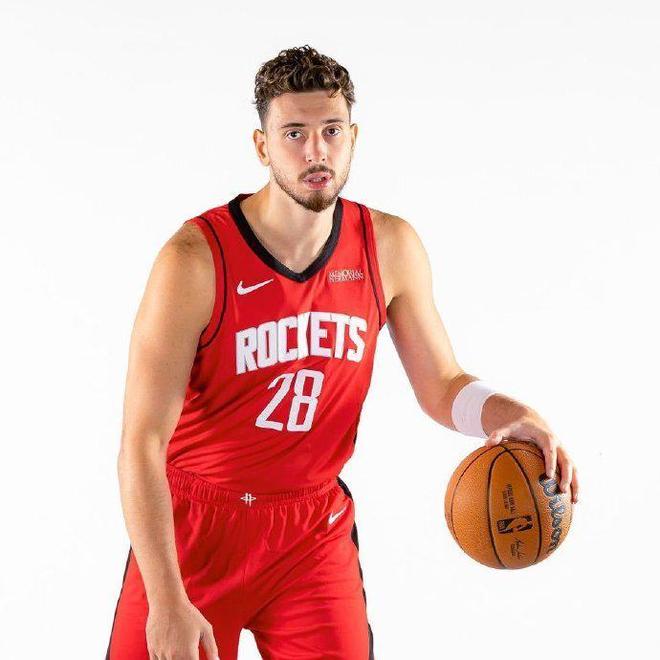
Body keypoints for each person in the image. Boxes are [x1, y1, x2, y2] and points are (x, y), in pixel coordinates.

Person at [105, 44, 579, 660]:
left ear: (353, 137)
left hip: (310, 531)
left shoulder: (389, 245)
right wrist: (166, 599)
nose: (316, 151)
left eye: (331, 131)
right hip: (193, 528)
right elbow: (141, 443)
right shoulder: (194, 260)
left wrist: (514, 416)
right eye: (294, 134)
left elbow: (442, 385)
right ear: (262, 146)